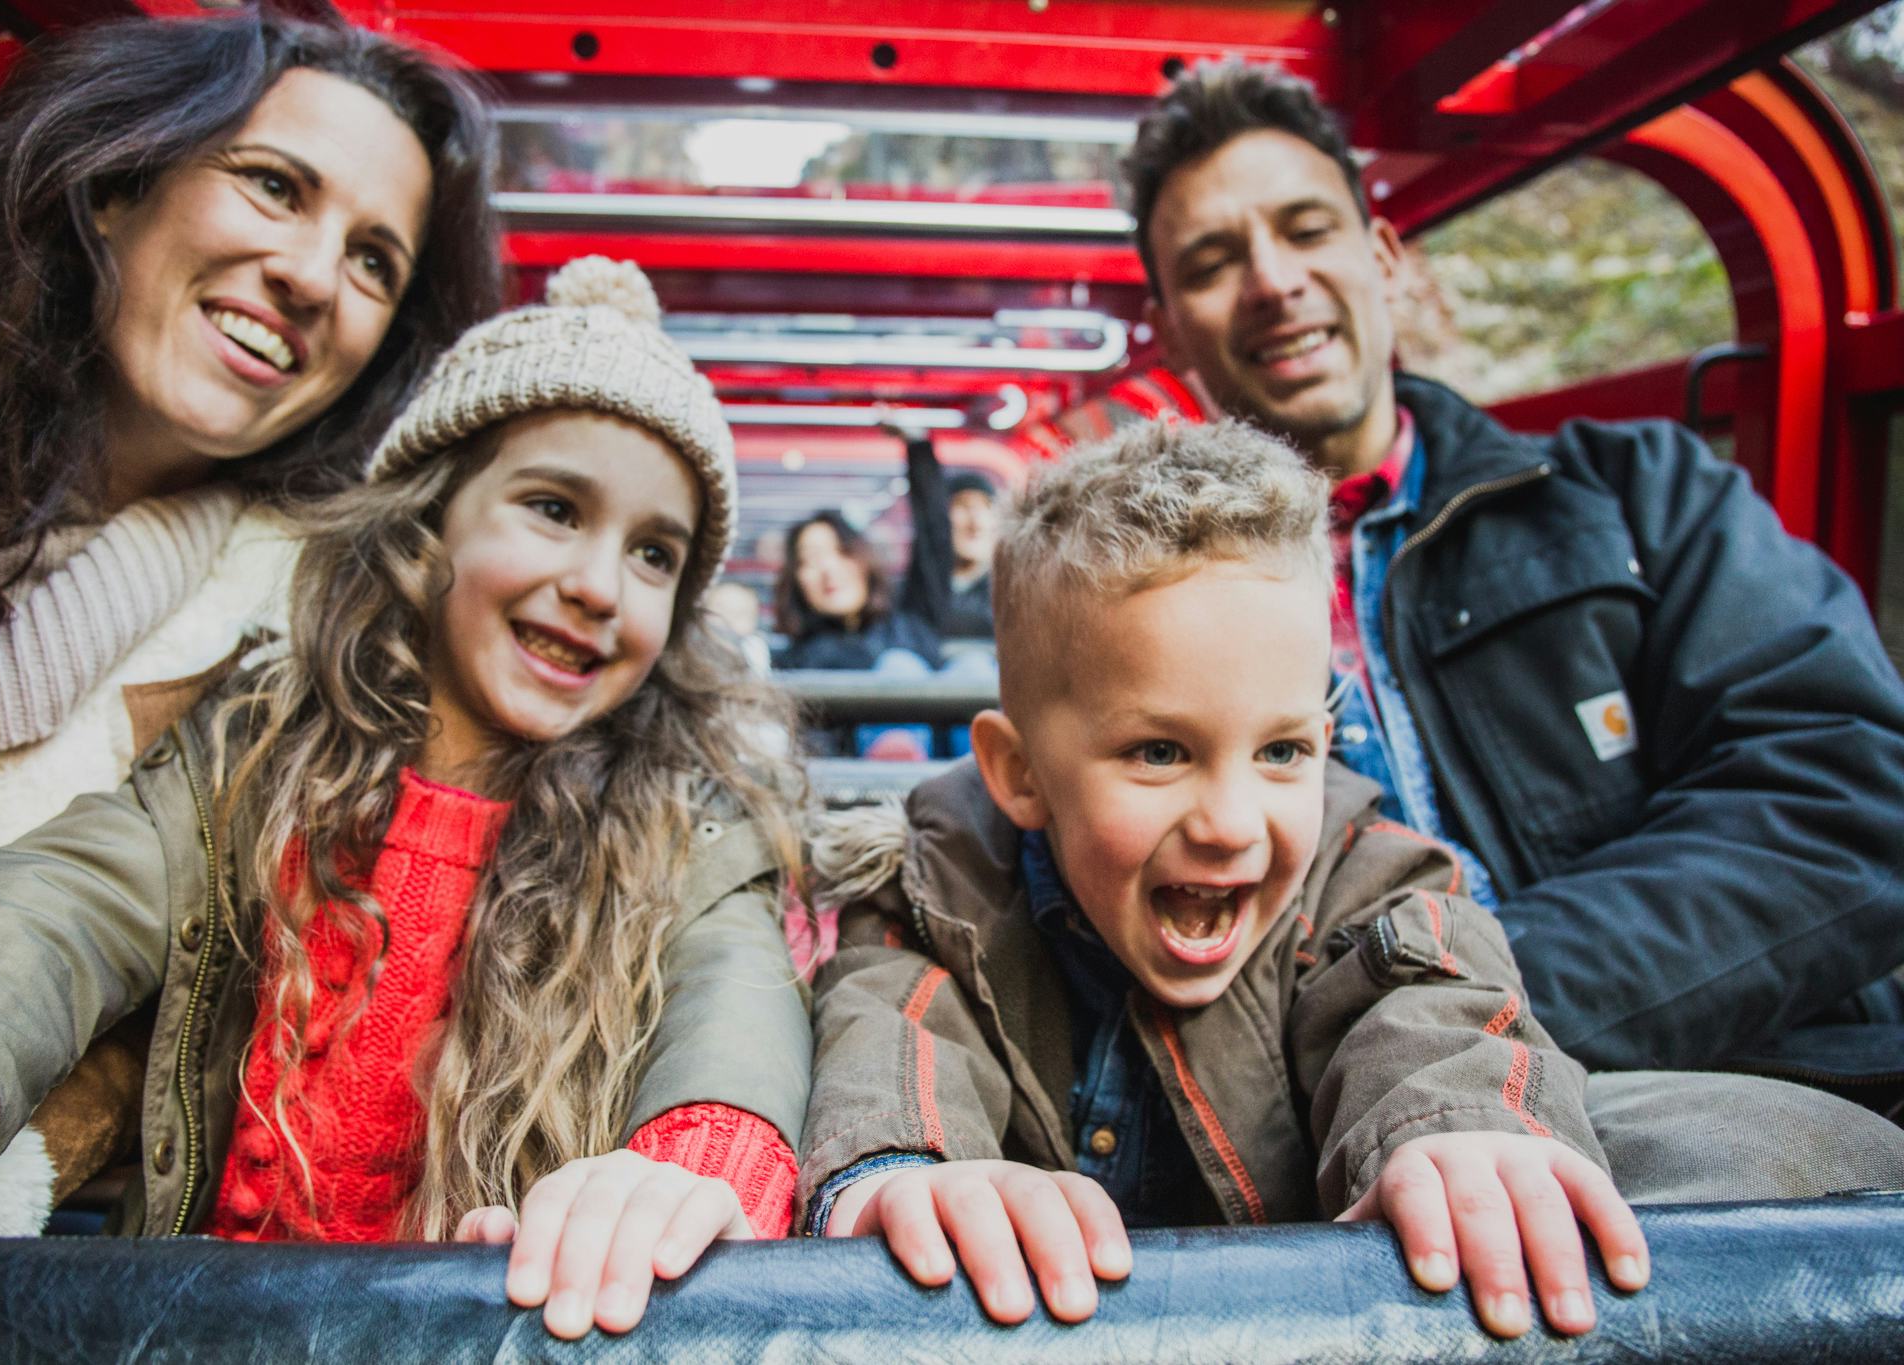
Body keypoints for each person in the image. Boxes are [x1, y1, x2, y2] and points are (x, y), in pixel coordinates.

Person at [0, 258, 814, 1343]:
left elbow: (733, 998)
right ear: (428, 518)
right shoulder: (257, 750)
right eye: (553, 509)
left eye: (654, 555)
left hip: (506, 1331)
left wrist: (691, 1165)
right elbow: (56, 909)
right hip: (218, 1328)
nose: (600, 585)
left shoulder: (683, 828)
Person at [798, 418, 1904, 1339]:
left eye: (1282, 750)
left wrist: (1457, 1131)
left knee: (1783, 1145)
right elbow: (894, 1022)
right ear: (1019, 774)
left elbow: (1426, 1000)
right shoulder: (940, 891)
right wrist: (908, 1167)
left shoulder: (1368, 876)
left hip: (1300, 1322)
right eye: (1159, 752)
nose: (1233, 824)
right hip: (1055, 1322)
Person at [1125, 60, 1904, 1090]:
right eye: (1213, 262)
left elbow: (1847, 798)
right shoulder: (1140, 603)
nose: (1272, 281)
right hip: (1344, 1133)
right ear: (1170, 325)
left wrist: (1449, 1006)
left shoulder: (1641, 495)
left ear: (1386, 259)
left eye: (1306, 230)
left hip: (1741, 1087)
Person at [0, 11, 500, 1223]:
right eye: (273, 186)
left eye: (373, 262)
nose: (311, 277)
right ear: (118, 188)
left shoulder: (336, 649)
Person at [771, 510, 945, 673]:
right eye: (811, 559)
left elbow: (933, 539)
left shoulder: (908, 630)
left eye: (843, 551)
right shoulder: (795, 664)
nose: (829, 569)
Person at [892, 427, 999, 641]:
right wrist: (918, 447)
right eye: (963, 506)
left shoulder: (1007, 591)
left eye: (985, 508)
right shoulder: (920, 589)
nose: (975, 522)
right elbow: (930, 522)